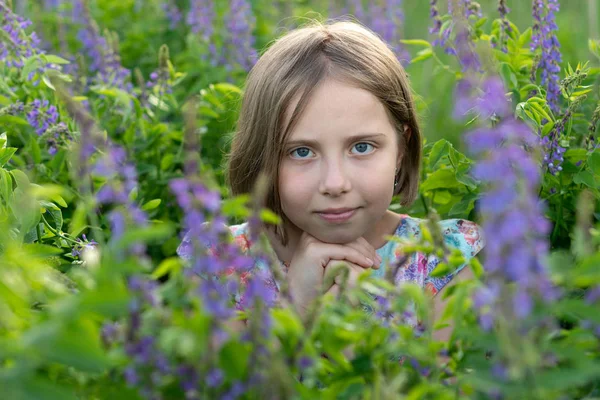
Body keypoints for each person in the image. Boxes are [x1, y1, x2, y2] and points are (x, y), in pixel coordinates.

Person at [177, 20, 485, 342]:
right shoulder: (220, 264)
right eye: (301, 152)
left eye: (361, 147)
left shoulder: (439, 261)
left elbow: (451, 388)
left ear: (400, 150)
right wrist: (294, 308)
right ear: (261, 156)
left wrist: (353, 343)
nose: (335, 183)